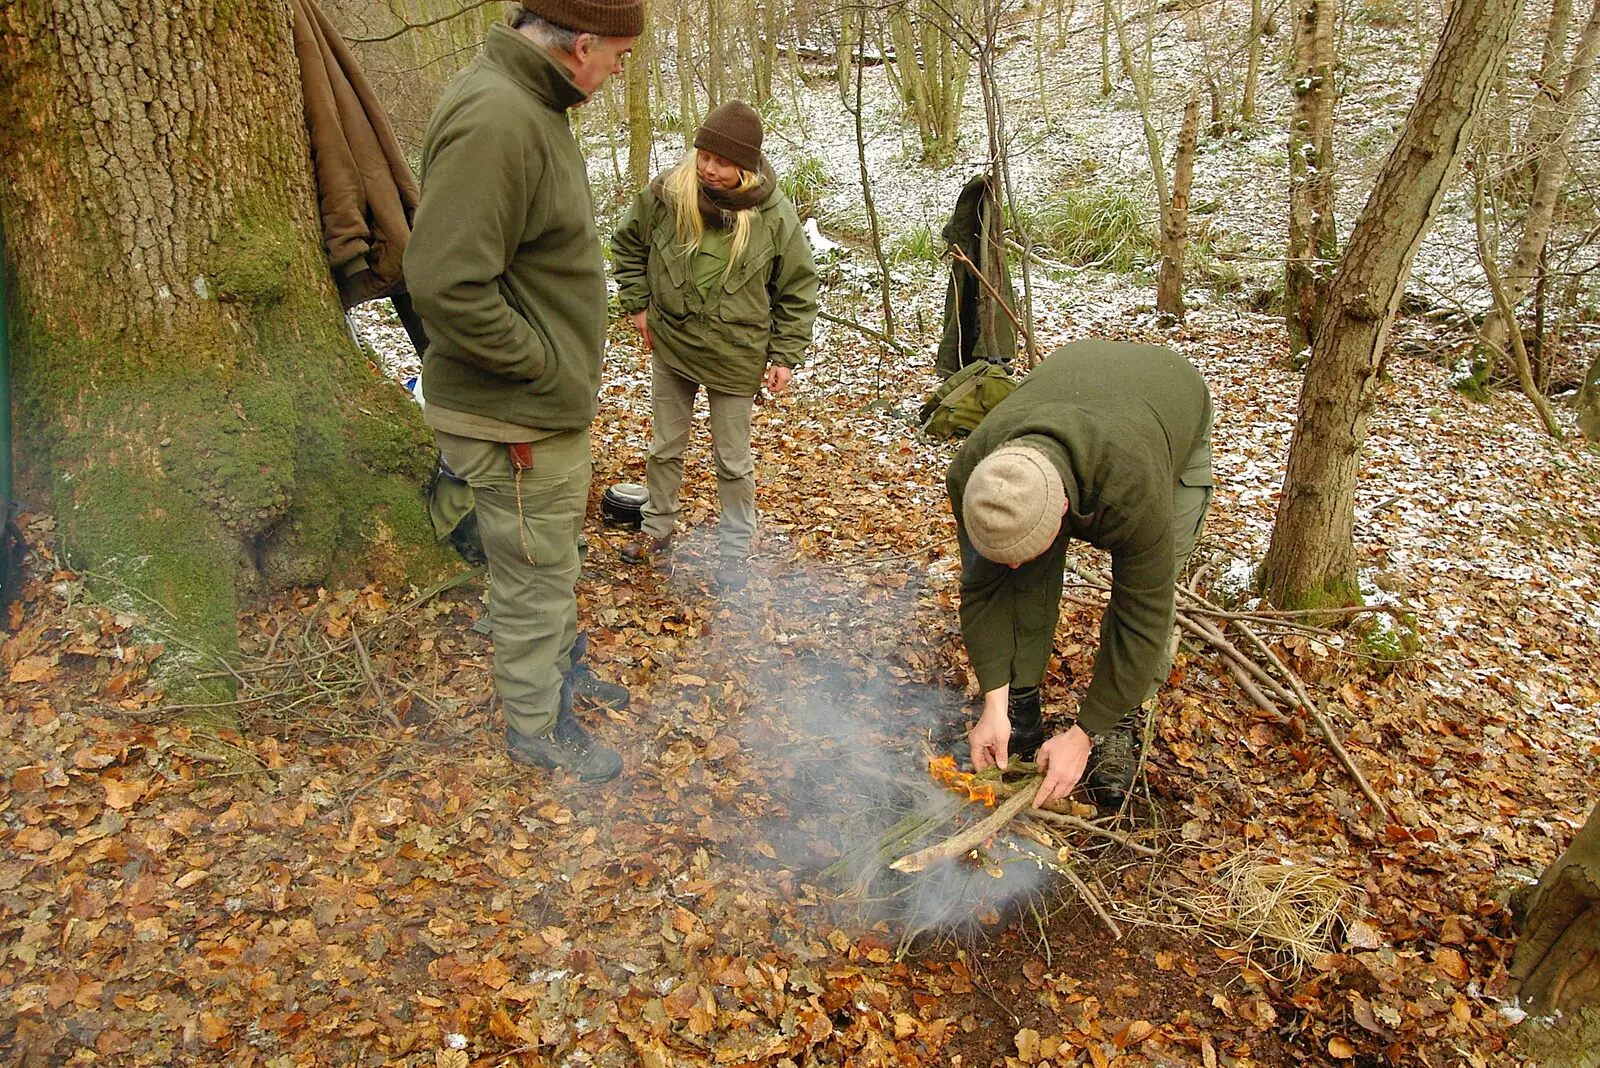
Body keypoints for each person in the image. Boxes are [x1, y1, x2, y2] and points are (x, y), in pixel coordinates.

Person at [404, 0, 642, 782]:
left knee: (552, 560)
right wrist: (545, 365)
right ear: (580, 45)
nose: (617, 70)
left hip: (533, 408)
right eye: (617, 55)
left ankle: (558, 678)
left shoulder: (531, 103)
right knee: (534, 573)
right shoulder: (500, 118)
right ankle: (538, 729)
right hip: (512, 411)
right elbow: (446, 283)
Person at [948, 341, 1214, 809]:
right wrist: (994, 700)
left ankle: (1118, 720)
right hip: (1077, 387)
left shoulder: (1133, 489)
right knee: (1020, 571)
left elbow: (1142, 613)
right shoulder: (975, 474)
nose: (1010, 565)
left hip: (1168, 400)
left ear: (1065, 512)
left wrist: (1086, 732)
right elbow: (984, 587)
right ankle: (1020, 702)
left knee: (1152, 581)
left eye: (1031, 543)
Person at [610, 101, 819, 590]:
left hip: (735, 349)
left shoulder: (772, 213)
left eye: (722, 162)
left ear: (744, 166)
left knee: (732, 458)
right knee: (664, 447)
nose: (709, 168)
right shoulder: (666, 193)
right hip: (674, 340)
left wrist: (786, 355)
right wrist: (638, 304)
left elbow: (797, 286)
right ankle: (656, 529)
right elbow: (627, 244)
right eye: (704, 155)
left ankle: (734, 550)